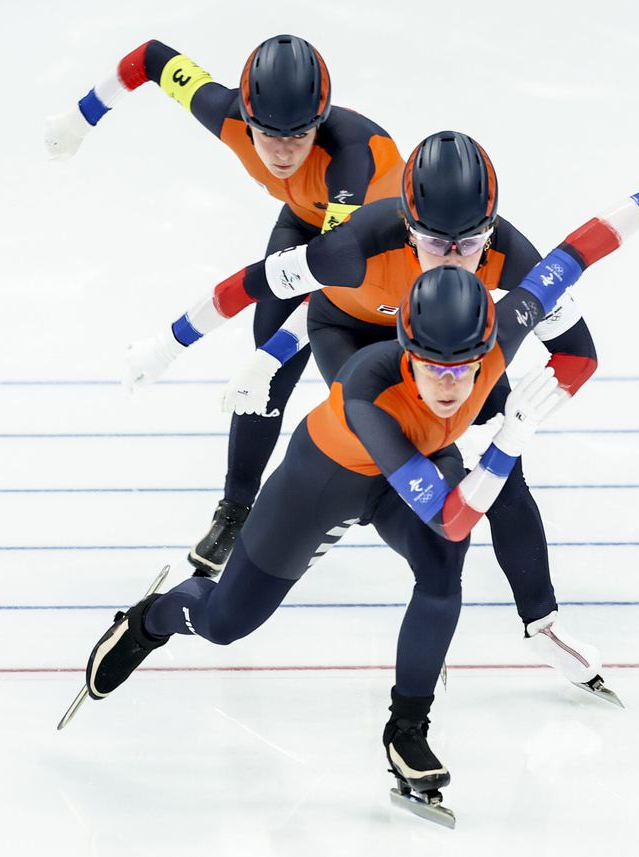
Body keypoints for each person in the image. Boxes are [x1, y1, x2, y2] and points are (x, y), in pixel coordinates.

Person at [67, 129, 639, 825]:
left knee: (445, 565)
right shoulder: (365, 380)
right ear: (405, 347)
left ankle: (406, 728)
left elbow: (585, 249)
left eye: (467, 367)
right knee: (228, 623)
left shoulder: (503, 326)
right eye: (434, 367)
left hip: (410, 459)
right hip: (328, 475)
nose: (451, 385)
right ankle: (152, 619)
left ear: (493, 347)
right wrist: (508, 438)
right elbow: (449, 506)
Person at [124, 130, 612, 699]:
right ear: (407, 226)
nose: (453, 257)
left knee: (503, 472)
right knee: (410, 444)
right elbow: (263, 285)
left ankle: (539, 623)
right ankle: (349, 537)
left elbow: (578, 349)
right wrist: (175, 345)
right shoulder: (355, 245)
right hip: (353, 336)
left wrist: (530, 410)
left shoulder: (510, 253)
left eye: (471, 241)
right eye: (434, 241)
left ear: (492, 229)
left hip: (454, 344)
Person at [44, 35, 403, 574]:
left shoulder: (350, 162)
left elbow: (330, 281)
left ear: (321, 121)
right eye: (267, 135)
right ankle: (235, 512)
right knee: (266, 382)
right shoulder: (224, 112)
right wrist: (79, 118)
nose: (282, 152)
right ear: (246, 117)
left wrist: (264, 355)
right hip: (308, 226)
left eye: (300, 135)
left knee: (370, 392)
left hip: (380, 258)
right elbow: (151, 59)